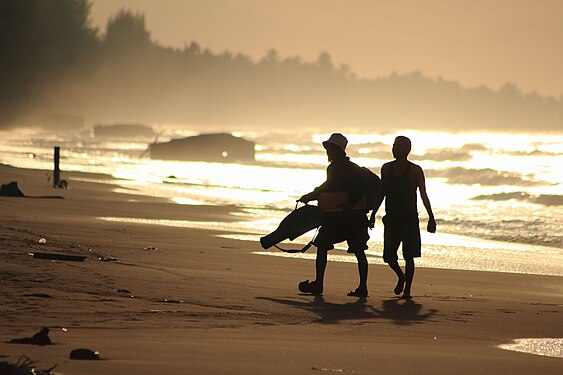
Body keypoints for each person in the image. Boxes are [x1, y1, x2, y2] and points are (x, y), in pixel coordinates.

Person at [297, 133, 370, 297]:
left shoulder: (349, 169)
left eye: (330, 149)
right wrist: (310, 196)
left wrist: (349, 204)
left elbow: (360, 188)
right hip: (340, 216)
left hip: (351, 218)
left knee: (354, 250)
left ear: (338, 150)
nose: (328, 152)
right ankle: (320, 283)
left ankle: (361, 287)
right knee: (325, 246)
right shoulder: (336, 168)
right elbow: (328, 187)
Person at [374, 135, 436, 299]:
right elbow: (382, 192)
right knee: (388, 256)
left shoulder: (415, 170)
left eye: (399, 146)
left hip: (409, 219)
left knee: (409, 256)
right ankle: (401, 276)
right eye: (394, 146)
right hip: (392, 218)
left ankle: (407, 289)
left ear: (407, 150)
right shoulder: (386, 168)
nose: (395, 149)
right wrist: (373, 213)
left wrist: (431, 217)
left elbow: (423, 195)